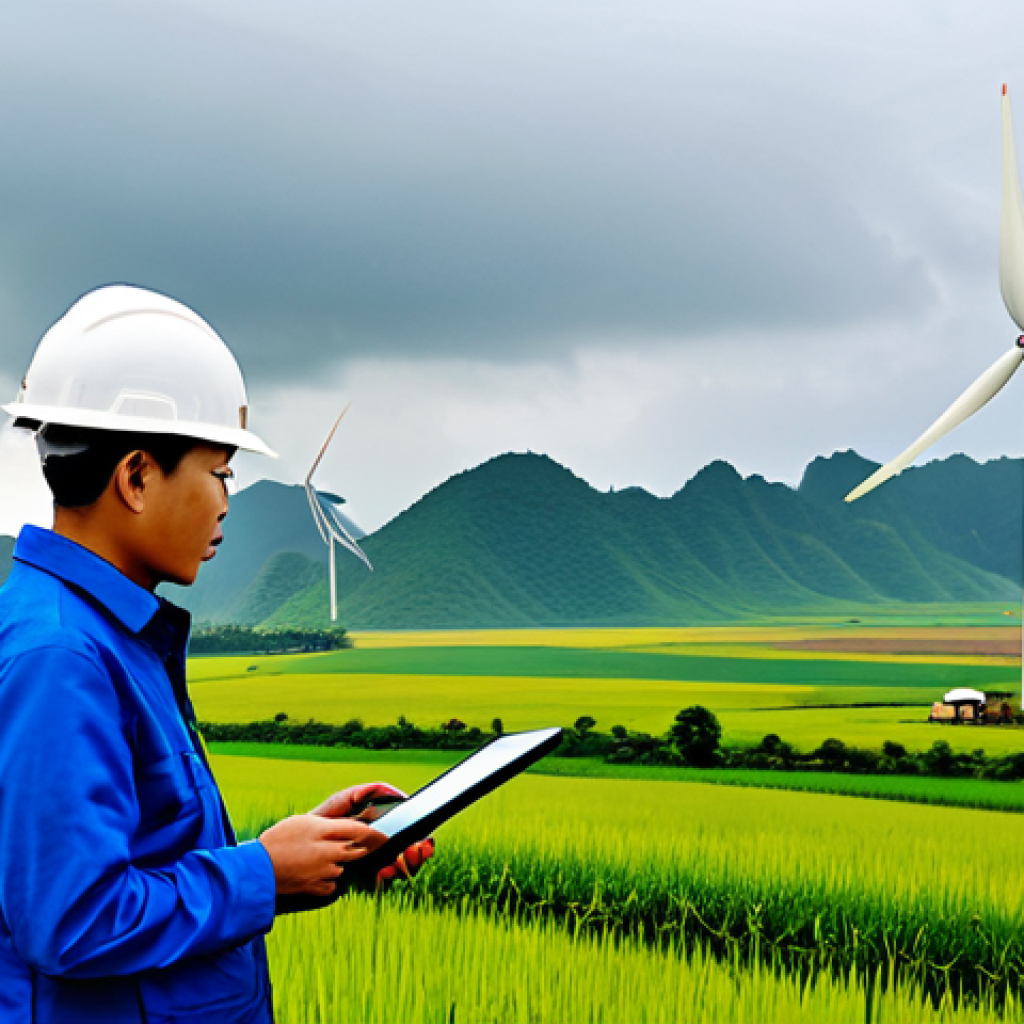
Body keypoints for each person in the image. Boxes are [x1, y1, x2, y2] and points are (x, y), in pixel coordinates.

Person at [0, 286, 432, 1023]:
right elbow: (72, 919)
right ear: (137, 477)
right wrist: (262, 873)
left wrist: (301, 856)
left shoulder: (110, 636)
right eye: (221, 472)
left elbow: (148, 861)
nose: (227, 501)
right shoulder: (62, 656)